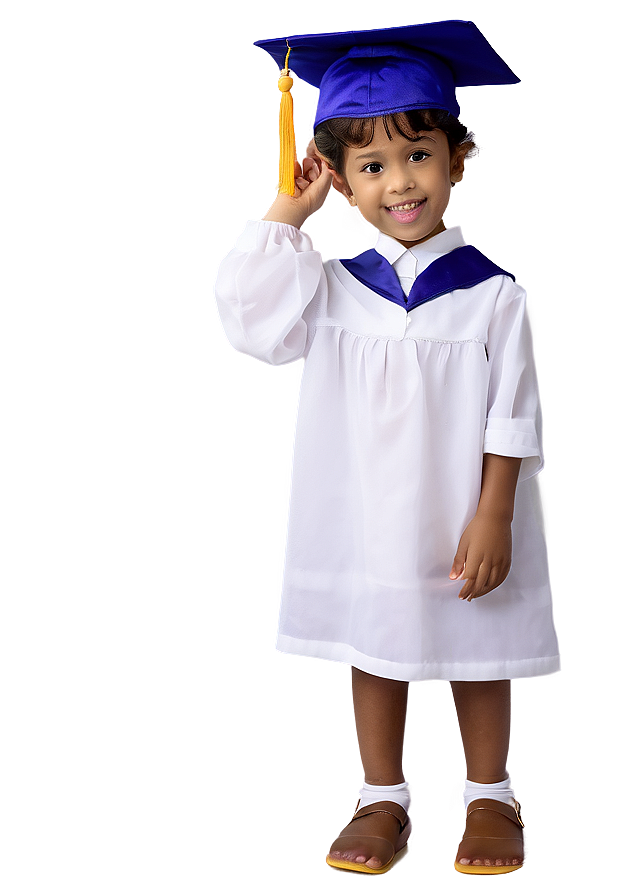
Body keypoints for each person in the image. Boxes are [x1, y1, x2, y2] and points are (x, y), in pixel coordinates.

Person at [213, 20, 560, 875]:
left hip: (466, 514)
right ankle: (384, 800)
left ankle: (490, 794)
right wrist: (292, 210)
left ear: (458, 162)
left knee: (484, 653)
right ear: (343, 181)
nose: (398, 182)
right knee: (375, 650)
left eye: (417, 158)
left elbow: (513, 416)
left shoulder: (492, 295)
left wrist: (495, 517)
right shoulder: (330, 289)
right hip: (365, 512)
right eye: (370, 167)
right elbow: (250, 322)